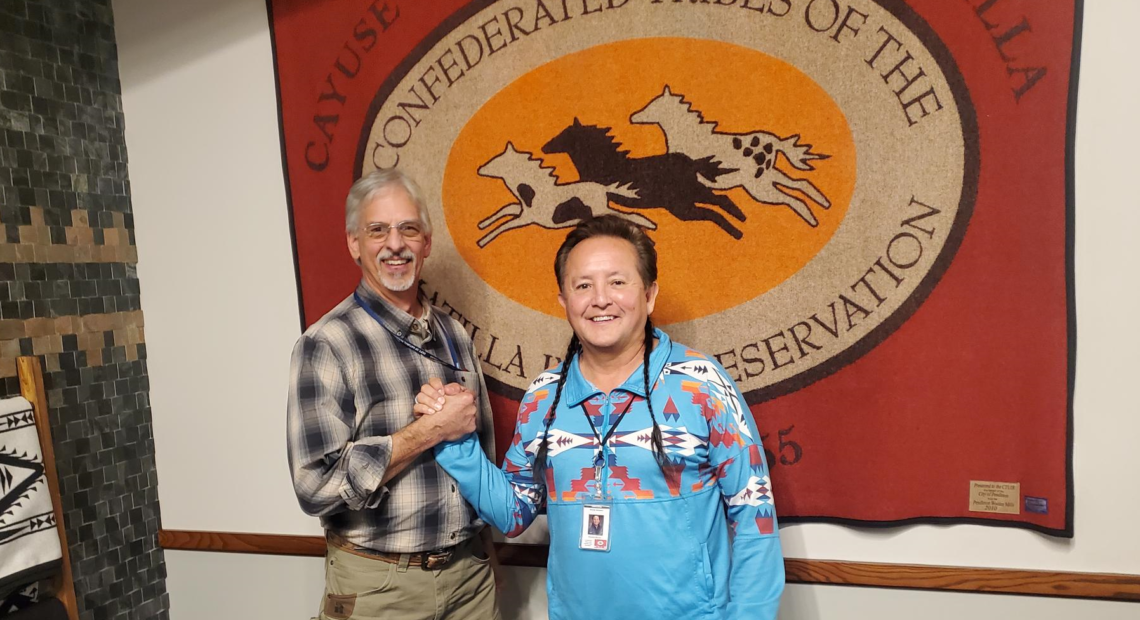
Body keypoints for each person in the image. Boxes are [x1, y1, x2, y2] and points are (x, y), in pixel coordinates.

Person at [415, 215, 784, 619]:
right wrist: (453, 441)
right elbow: (514, 511)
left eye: (618, 282)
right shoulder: (544, 396)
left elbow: (755, 514)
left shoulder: (701, 382)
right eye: (583, 285)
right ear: (564, 301)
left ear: (649, 294)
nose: (601, 299)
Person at [287, 169, 501, 620]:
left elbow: (482, 454)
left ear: (426, 241)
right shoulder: (327, 343)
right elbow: (314, 487)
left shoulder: (456, 337)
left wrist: (486, 552)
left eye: (408, 229)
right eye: (377, 230)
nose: (395, 244)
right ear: (354, 244)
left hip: (471, 579)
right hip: (379, 586)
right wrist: (426, 433)